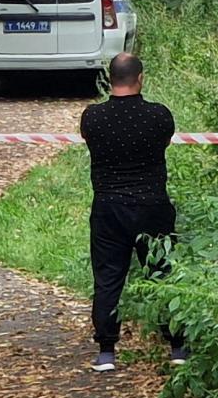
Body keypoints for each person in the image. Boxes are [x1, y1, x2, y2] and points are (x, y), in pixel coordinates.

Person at [79, 52, 186, 371]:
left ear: (110, 79)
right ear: (140, 78)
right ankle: (177, 345)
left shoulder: (93, 117)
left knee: (108, 276)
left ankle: (107, 351)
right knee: (163, 273)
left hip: (108, 207)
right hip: (152, 205)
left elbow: (89, 142)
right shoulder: (158, 116)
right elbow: (163, 143)